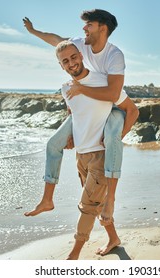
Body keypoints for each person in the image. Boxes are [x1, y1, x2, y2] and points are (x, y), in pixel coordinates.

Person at [23, 9, 137, 223]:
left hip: (112, 105)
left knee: (112, 139)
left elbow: (113, 95)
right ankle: (47, 199)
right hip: (88, 101)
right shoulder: (81, 43)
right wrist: (34, 31)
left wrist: (82, 90)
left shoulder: (114, 55)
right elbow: (57, 41)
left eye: (89, 24)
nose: (84, 28)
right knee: (53, 144)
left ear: (102, 28)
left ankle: (110, 199)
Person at [55, 40, 130, 259]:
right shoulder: (65, 88)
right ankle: (113, 238)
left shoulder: (102, 82)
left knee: (87, 207)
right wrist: (70, 136)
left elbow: (132, 111)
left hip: (101, 156)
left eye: (73, 57)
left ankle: (73, 256)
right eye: (65, 61)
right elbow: (74, 115)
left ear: (81, 55)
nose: (71, 63)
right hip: (81, 155)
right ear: (61, 66)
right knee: (95, 203)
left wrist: (115, 138)